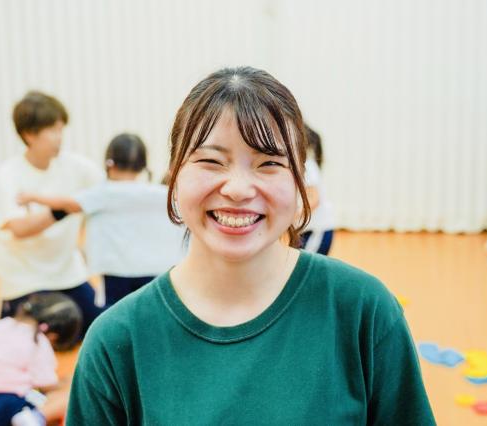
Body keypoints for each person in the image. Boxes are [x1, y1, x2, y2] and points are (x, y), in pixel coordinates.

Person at [66, 67, 435, 425]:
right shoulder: (117, 341)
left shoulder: (363, 310)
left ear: (299, 181)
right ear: (174, 175)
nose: (239, 189)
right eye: (211, 161)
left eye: (268, 163)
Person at [18, 133, 185, 306]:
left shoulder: (105, 193)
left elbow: (69, 204)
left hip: (116, 271)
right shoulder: (159, 193)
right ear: (143, 165)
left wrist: (34, 197)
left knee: (117, 313)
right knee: (150, 309)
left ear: (109, 163)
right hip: (155, 270)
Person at [0, 91, 104, 335]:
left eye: (61, 129)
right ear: (29, 135)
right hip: (25, 280)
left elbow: (107, 192)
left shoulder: (78, 167)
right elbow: (19, 228)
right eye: (52, 130)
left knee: (100, 327)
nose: (59, 137)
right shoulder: (9, 173)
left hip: (67, 274)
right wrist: (63, 208)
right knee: (35, 335)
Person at [0, 292, 81, 426]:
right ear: (53, 336)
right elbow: (46, 384)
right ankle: (36, 417)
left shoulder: (0, 325)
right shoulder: (38, 340)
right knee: (68, 398)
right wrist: (66, 383)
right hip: (11, 404)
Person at [299, 124, 336, 255]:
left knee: (304, 265)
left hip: (317, 229)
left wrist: (291, 216)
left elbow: (314, 199)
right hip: (306, 230)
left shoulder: (307, 166)